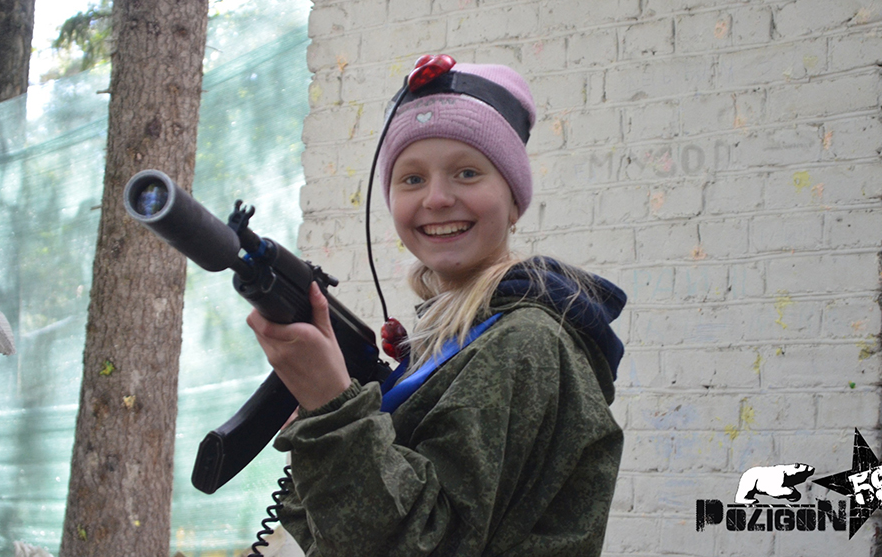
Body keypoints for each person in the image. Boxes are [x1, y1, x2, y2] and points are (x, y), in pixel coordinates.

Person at [246, 56, 626, 557]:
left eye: (467, 173)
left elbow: (422, 545)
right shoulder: (449, 342)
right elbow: (346, 535)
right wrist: (324, 425)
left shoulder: (525, 342)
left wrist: (332, 409)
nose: (438, 198)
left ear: (514, 200)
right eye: (412, 179)